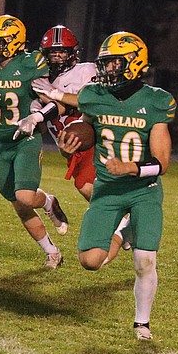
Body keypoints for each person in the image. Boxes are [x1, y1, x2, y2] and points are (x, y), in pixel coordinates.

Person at [58, 32, 175, 341]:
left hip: (143, 190)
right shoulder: (95, 95)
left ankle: (142, 323)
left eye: (114, 64)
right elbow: (86, 129)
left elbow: (162, 163)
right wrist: (70, 143)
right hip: (107, 189)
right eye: (106, 65)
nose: (108, 71)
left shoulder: (155, 101)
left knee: (144, 260)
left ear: (135, 64)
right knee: (90, 261)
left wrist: (131, 167)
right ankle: (123, 232)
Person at [0, 14, 69, 269]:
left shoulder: (31, 65)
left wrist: (36, 115)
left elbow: (57, 103)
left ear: (14, 41)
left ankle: (46, 200)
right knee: (18, 203)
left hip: (25, 139)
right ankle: (52, 251)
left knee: (24, 196)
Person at [17, 25, 129, 262]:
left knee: (87, 184)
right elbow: (43, 112)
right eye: (52, 52)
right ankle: (124, 221)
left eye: (62, 52)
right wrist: (33, 113)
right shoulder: (40, 79)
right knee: (87, 188)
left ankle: (123, 225)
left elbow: (83, 101)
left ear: (73, 53)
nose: (57, 57)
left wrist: (49, 103)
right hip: (68, 147)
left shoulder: (85, 71)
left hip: (89, 135)